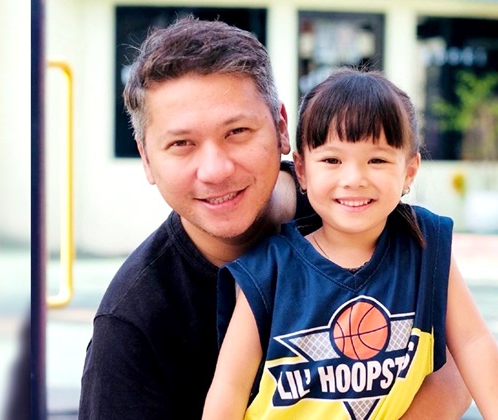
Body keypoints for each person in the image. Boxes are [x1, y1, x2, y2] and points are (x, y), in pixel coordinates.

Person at [79, 16, 470, 419]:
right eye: (182, 143)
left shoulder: (350, 203)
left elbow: (455, 371)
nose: (215, 170)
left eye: (237, 132)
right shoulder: (131, 324)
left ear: (282, 128)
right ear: (147, 158)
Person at [203, 69, 498, 420]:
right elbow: (229, 388)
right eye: (332, 160)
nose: (354, 179)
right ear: (302, 170)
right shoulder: (268, 272)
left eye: (377, 160)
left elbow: (473, 343)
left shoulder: (424, 245)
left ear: (409, 171)